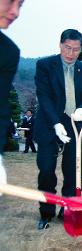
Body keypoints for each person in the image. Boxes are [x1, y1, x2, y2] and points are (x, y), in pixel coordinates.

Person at [33, 29, 82, 229]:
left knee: (72, 171)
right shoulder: (45, 65)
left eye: (76, 49)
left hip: (73, 123)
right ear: (60, 45)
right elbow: (44, 96)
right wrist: (55, 123)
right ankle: (46, 213)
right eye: (67, 48)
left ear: (80, 49)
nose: (71, 53)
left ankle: (66, 211)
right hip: (50, 123)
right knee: (47, 170)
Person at [0, 0, 24, 194]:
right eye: (9, 1)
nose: (15, 12)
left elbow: (0, 109)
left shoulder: (8, 52)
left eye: (21, 4)